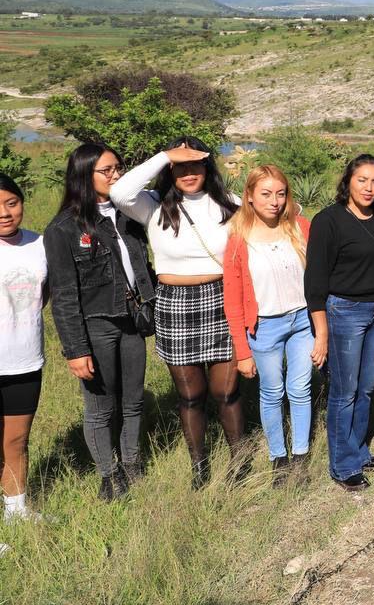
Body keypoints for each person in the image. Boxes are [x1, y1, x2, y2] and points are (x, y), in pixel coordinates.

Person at [110, 137, 244, 489]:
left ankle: (238, 460)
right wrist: (165, 154)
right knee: (190, 395)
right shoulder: (152, 205)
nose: (188, 173)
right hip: (174, 302)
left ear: (207, 166)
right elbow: (119, 192)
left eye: (195, 164)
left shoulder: (230, 204)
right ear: (169, 169)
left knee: (226, 391)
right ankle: (199, 466)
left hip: (221, 299)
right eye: (179, 166)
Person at [44, 144, 155, 501]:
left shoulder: (129, 215)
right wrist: (76, 350)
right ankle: (109, 475)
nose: (116, 176)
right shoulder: (64, 228)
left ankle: (132, 464)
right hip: (97, 325)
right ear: (83, 175)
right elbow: (63, 295)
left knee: (134, 401)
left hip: (131, 321)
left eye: (118, 168)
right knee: (100, 407)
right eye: (106, 171)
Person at [223, 165, 322, 487]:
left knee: (300, 388)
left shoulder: (300, 228)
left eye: (280, 194)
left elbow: (321, 280)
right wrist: (242, 352)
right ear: (249, 196)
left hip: (302, 322)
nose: (274, 201)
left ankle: (300, 458)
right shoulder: (239, 242)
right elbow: (233, 301)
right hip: (264, 327)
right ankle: (278, 460)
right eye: (265, 194)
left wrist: (323, 331)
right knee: (272, 392)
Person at [304, 154, 374, 492]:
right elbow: (314, 281)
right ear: (348, 181)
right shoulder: (328, 220)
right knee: (344, 391)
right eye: (362, 180)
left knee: (368, 385)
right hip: (343, 311)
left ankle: (358, 451)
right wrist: (321, 332)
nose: (369, 188)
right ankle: (342, 465)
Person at [0, 174, 47, 522]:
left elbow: (45, 295)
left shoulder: (40, 244)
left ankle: (17, 513)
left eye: (11, 203)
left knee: (17, 442)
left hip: (24, 360)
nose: (4, 213)